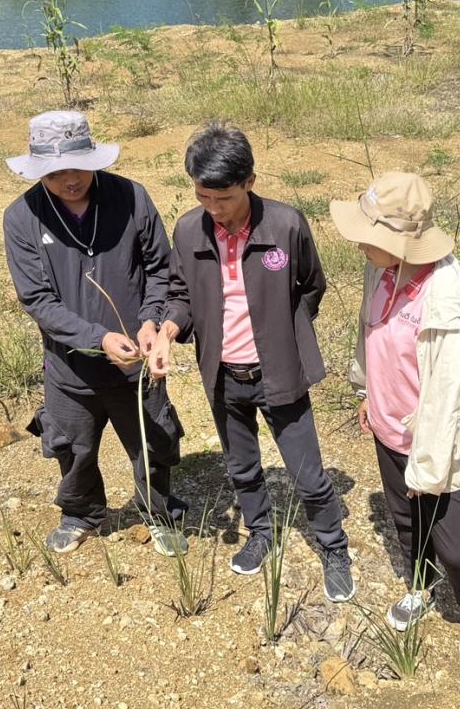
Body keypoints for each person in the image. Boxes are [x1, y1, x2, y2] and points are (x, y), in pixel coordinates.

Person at [148, 122, 355, 602]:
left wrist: (286, 334)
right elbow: (181, 295)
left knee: (308, 473)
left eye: (224, 198)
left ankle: (333, 547)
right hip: (222, 376)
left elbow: (310, 286)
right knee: (242, 466)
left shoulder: (285, 225)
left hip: (279, 373)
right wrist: (168, 330)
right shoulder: (187, 229)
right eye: (203, 197)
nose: (214, 210)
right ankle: (260, 532)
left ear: (250, 181)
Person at [3, 110, 188, 557]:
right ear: (39, 171)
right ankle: (81, 512)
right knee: (72, 446)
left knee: (152, 442)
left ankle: (159, 512)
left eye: (78, 168)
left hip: (136, 363)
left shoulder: (131, 197)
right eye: (56, 172)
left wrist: (149, 320)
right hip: (70, 367)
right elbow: (38, 301)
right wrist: (97, 338)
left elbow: (160, 269)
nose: (71, 180)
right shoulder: (21, 218)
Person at [329, 170, 460, 663]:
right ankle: (421, 588)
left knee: (458, 542)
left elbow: (452, 395)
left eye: (369, 237)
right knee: (408, 524)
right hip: (390, 428)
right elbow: (372, 336)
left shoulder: (450, 299)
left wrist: (428, 467)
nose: (360, 245)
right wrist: (368, 392)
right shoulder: (380, 270)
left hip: (441, 446)